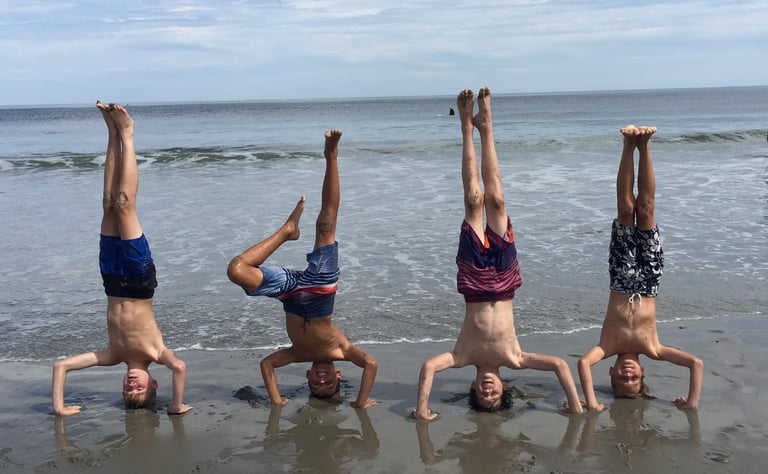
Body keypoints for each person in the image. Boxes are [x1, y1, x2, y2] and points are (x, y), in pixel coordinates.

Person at [413, 88, 583, 420]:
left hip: (474, 283)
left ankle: (466, 126)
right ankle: (486, 125)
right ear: (505, 388)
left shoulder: (461, 357)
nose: (487, 390)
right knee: (498, 201)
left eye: (481, 394)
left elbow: (430, 366)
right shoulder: (515, 358)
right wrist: (576, 406)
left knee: (474, 201)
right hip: (505, 282)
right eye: (494, 395)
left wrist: (422, 410)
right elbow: (560, 365)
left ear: (473, 388)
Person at [52, 102, 192, 416]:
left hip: (112, 279)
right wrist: (175, 404)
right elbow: (180, 367)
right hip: (140, 279)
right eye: (139, 388)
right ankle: (127, 134)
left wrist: (60, 408)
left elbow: (61, 366)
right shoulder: (157, 353)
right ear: (154, 383)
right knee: (124, 205)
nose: (132, 384)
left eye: (127, 389)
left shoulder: (112, 355)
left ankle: (111, 131)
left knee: (107, 204)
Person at [227, 129, 377, 408]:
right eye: (328, 382)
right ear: (338, 374)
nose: (322, 380)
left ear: (307, 375)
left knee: (236, 270)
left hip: (290, 296)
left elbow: (268, 364)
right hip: (320, 291)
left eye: (316, 383)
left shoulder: (296, 355)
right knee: (325, 226)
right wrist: (361, 401)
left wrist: (277, 400)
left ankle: (287, 231)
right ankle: (331, 155)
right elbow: (370, 363)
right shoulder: (342, 350)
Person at [577, 125, 703, 411]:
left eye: (621, 380)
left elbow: (583, 363)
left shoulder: (607, 347)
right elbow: (696, 363)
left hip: (620, 279)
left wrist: (593, 401)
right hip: (649, 281)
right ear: (643, 373)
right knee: (645, 209)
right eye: (633, 381)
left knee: (624, 209)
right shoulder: (653, 348)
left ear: (611, 372)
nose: (627, 375)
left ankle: (627, 145)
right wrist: (691, 403)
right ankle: (644, 145)